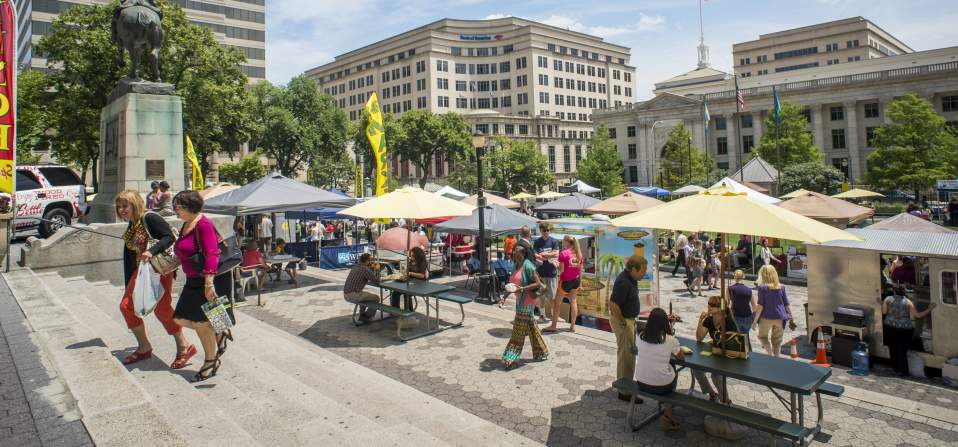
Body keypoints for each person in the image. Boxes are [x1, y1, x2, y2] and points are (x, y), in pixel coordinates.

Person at [114, 190, 195, 369]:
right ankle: (147, 346)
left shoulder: (149, 218)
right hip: (142, 271)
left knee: (160, 309)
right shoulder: (133, 223)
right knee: (129, 307)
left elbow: (168, 237)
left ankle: (182, 346)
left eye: (125, 206)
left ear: (135, 204)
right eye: (119, 207)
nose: (121, 210)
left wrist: (151, 251)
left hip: (157, 270)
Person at [171, 190, 232, 382]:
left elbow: (212, 253)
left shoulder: (203, 224)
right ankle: (220, 330)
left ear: (189, 207)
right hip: (193, 280)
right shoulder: (185, 224)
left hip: (207, 279)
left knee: (200, 324)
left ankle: (210, 362)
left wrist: (208, 283)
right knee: (181, 319)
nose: (174, 209)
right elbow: (185, 252)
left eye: (177, 206)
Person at [634, 308, 685, 431]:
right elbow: (681, 357)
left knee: (662, 370)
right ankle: (668, 414)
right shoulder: (671, 340)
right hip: (662, 386)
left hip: (641, 382)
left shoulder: (640, 336)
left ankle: (667, 413)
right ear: (665, 323)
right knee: (671, 369)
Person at [502, 245, 548, 368]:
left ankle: (510, 359)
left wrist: (522, 289)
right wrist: (504, 298)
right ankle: (541, 352)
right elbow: (512, 285)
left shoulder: (528, 265)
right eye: (513, 251)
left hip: (527, 302)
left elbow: (538, 283)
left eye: (516, 252)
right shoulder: (515, 265)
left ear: (522, 254)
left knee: (518, 332)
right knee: (532, 327)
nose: (513, 253)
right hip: (519, 301)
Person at [609, 255, 647, 402]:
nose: (644, 273)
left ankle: (625, 386)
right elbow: (613, 304)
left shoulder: (631, 278)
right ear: (633, 269)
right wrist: (623, 323)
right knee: (626, 358)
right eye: (642, 271)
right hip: (624, 321)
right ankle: (624, 392)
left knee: (629, 356)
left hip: (628, 320)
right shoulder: (624, 282)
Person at [881, 286, 935, 376]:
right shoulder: (908, 302)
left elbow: (884, 312)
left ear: (894, 291)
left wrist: (881, 303)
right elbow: (918, 315)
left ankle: (895, 368)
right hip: (905, 329)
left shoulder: (888, 299)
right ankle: (903, 371)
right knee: (902, 350)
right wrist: (930, 309)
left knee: (892, 348)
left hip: (890, 327)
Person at [694, 296, 739, 404]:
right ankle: (711, 393)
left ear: (719, 308)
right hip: (715, 353)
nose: (709, 307)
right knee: (696, 368)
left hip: (727, 355)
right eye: (709, 304)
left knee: (716, 375)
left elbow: (733, 343)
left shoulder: (728, 322)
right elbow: (699, 338)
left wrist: (716, 341)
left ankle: (725, 400)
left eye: (712, 305)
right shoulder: (709, 319)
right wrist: (700, 320)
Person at [752, 265, 795, 357]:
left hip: (766, 317)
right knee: (777, 342)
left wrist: (755, 321)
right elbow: (786, 304)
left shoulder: (762, 288)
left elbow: (760, 306)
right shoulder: (781, 287)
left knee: (762, 337)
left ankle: (770, 355)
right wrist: (792, 317)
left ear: (763, 275)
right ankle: (776, 359)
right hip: (780, 318)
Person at [545, 235, 582, 333]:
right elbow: (580, 269)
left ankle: (553, 326)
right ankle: (572, 326)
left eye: (563, 241)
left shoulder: (563, 253)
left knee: (557, 304)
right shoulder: (578, 253)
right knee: (573, 302)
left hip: (565, 281)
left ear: (567, 242)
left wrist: (554, 264)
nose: (562, 243)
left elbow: (561, 270)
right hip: (576, 280)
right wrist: (580, 283)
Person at [533, 224, 561, 324]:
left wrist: (544, 255)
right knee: (542, 296)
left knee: (552, 296)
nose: (546, 232)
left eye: (548, 230)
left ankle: (554, 316)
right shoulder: (537, 242)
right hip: (541, 273)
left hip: (552, 273)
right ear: (540, 230)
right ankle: (542, 315)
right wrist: (549, 256)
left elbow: (556, 254)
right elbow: (535, 255)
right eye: (544, 230)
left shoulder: (554, 241)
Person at [344, 253, 382, 321]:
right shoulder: (365, 269)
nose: (371, 262)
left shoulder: (356, 266)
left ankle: (362, 314)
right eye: (370, 261)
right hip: (353, 295)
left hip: (346, 294)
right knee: (376, 298)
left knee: (365, 295)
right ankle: (368, 316)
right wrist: (377, 269)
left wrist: (371, 267)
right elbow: (377, 281)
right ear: (367, 261)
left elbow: (365, 272)